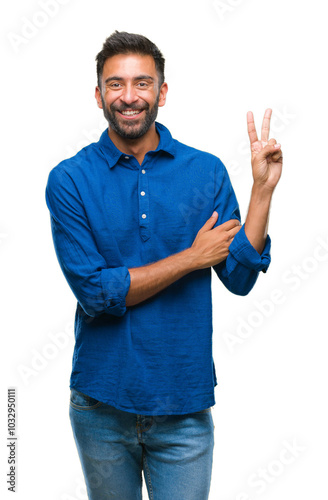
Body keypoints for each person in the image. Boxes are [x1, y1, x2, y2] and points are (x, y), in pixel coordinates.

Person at [45, 31, 283, 500]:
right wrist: (192, 258)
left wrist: (262, 191)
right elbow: (97, 293)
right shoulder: (69, 179)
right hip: (101, 403)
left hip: (184, 406)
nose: (129, 97)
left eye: (142, 83)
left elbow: (238, 276)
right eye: (115, 85)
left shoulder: (206, 171)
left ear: (162, 92)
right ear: (98, 96)